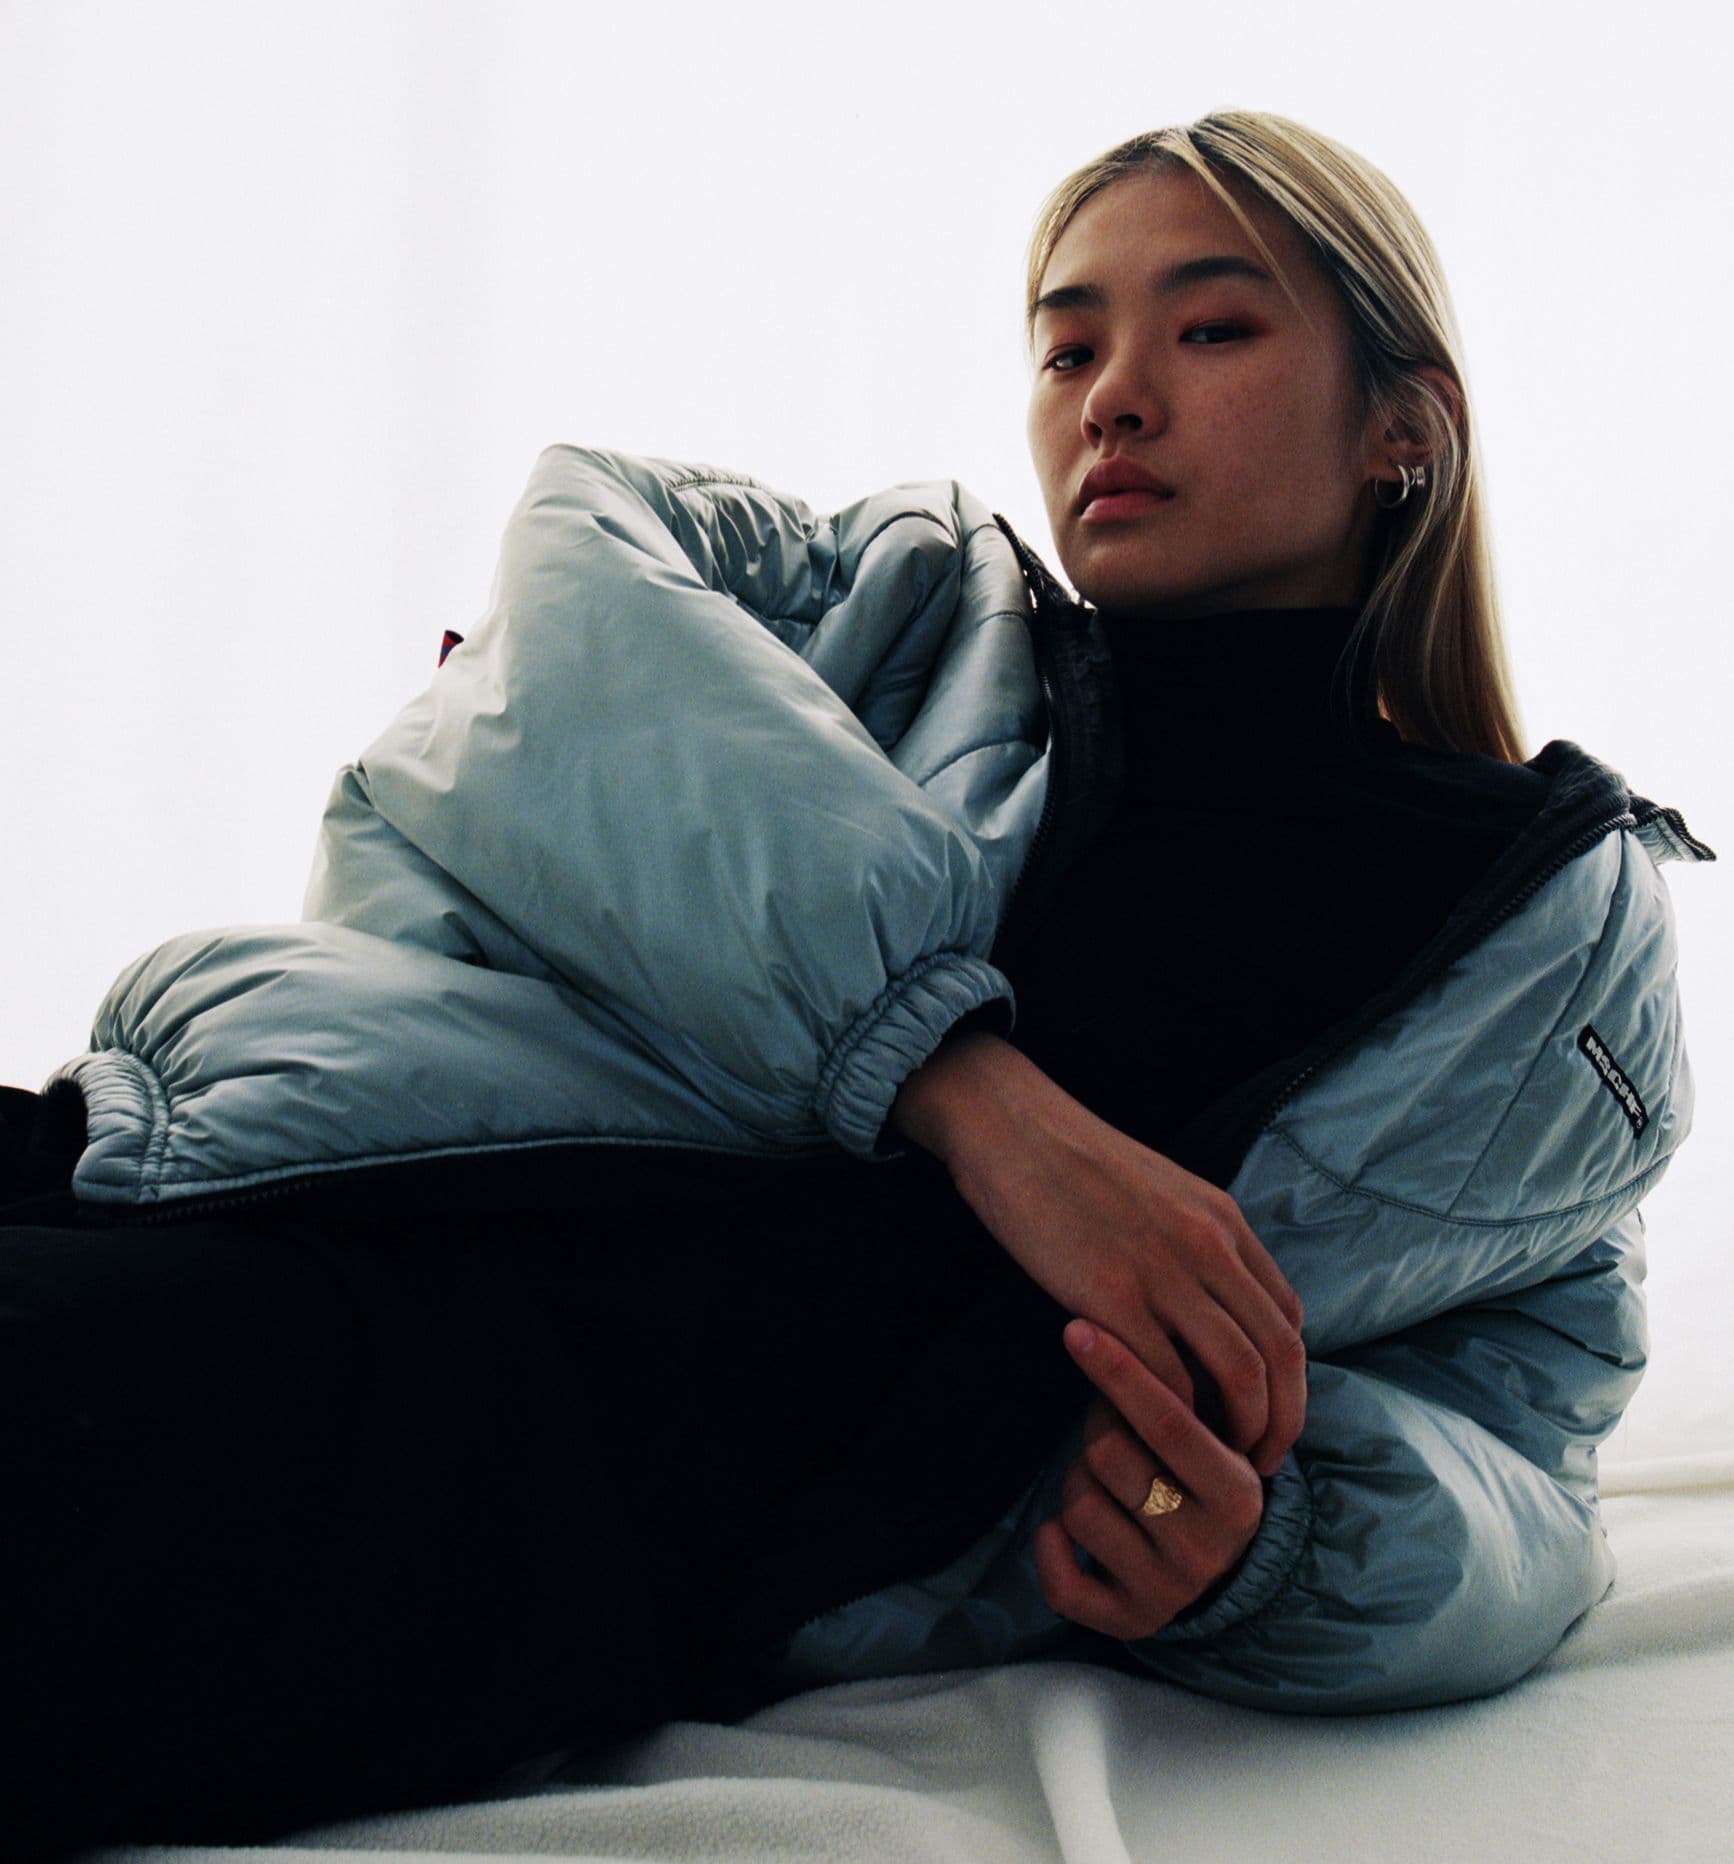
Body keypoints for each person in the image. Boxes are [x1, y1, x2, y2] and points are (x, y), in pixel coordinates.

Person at [0, 111, 1709, 1854]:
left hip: (497, 1449)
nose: (1110, 397)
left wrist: (1269, 1556)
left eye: (1209, 329)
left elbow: (1528, 1465)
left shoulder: (1536, 952)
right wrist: (967, 1094)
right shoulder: (895, 609)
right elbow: (536, 675)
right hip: (215, 1163)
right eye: (1065, 343)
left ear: (1402, 427)